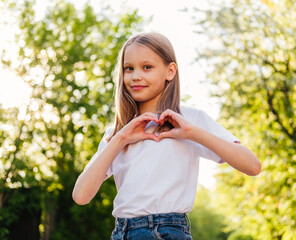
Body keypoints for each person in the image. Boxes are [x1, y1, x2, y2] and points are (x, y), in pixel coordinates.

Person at [72, 32, 261, 240]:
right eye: (129, 68)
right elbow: (80, 196)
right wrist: (121, 139)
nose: (135, 76)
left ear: (170, 71)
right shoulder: (119, 133)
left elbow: (252, 166)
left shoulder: (190, 119)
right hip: (121, 233)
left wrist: (193, 133)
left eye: (147, 67)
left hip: (165, 232)